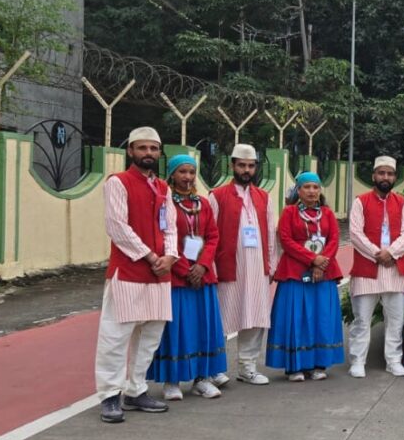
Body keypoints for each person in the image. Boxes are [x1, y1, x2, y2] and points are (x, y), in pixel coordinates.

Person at [94, 126, 176, 423]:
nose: (148, 154)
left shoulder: (164, 188)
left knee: (151, 335)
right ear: (130, 151)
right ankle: (109, 396)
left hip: (159, 274)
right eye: (142, 148)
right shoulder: (118, 183)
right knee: (116, 336)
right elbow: (117, 226)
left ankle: (135, 389)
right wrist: (151, 255)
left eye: (153, 149)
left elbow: (170, 226)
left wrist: (170, 256)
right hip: (129, 270)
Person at [147, 154, 228, 401]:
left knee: (204, 326)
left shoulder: (202, 203)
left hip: (203, 277)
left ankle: (201, 379)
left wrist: (202, 266)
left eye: (191, 172)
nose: (188, 177)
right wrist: (184, 268)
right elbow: (162, 238)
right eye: (182, 172)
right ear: (172, 174)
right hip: (177, 276)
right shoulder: (163, 203)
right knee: (178, 329)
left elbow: (213, 236)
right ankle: (172, 381)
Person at [209, 144, 278, 386]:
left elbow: (270, 231)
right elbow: (210, 233)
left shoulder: (264, 197)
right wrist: (211, 266)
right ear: (232, 166)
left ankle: (247, 367)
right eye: (241, 165)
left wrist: (271, 264)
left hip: (258, 268)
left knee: (256, 317)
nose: (246, 170)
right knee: (223, 318)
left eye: (250, 166)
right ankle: (215, 369)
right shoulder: (217, 196)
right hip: (228, 268)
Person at [267, 172, 345, 381]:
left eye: (315, 187)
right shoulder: (289, 212)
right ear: (298, 191)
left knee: (321, 318)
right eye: (307, 187)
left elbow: (334, 240)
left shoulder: (327, 214)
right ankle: (295, 366)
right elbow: (286, 239)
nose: (312, 191)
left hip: (324, 273)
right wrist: (312, 259)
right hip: (295, 271)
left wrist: (322, 262)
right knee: (297, 318)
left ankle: (319, 364)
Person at [348, 156, 404, 378]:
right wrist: (377, 253)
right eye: (381, 173)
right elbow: (355, 234)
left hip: (395, 269)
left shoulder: (402, 202)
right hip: (367, 269)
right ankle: (358, 361)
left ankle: (394, 361)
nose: (385, 177)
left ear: (395, 177)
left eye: (390, 174)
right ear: (374, 175)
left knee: (395, 320)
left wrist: (391, 253)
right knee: (362, 320)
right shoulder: (361, 201)